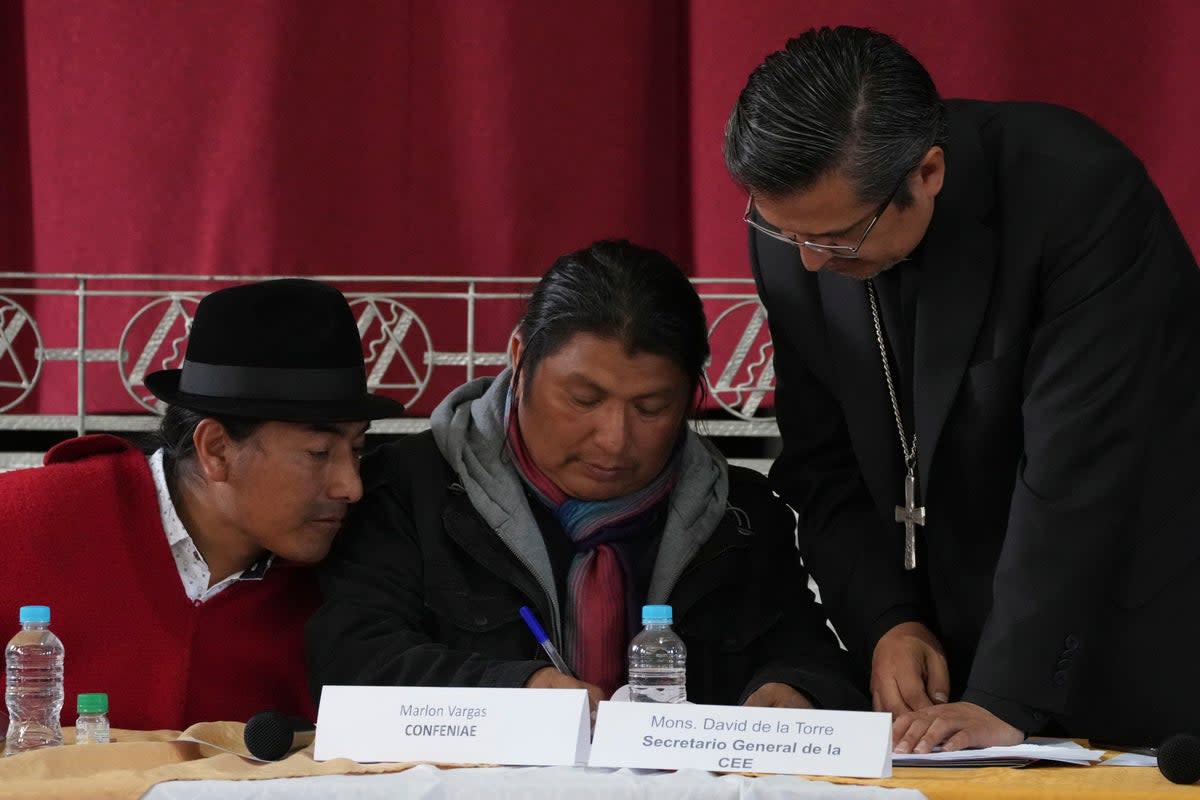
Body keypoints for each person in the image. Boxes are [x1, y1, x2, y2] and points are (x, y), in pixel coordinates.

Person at [724, 25, 1200, 752]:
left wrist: (1007, 691)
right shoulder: (798, 230)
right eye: (790, 235)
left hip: (1119, 639)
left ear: (930, 173)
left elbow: (1083, 464)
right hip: (945, 663)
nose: (813, 264)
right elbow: (824, 464)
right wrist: (886, 619)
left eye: (841, 237)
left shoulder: (1077, 192)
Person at [306, 240, 867, 714]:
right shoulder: (411, 490)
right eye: (583, 399)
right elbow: (353, 657)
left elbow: (812, 654)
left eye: (650, 408)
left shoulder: (739, 516)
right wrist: (514, 691)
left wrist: (795, 692)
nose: (614, 440)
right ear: (519, 359)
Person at [0, 278, 405, 731]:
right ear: (216, 449)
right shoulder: (23, 522)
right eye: (318, 453)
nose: (351, 486)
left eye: (358, 449)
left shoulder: (360, 577)